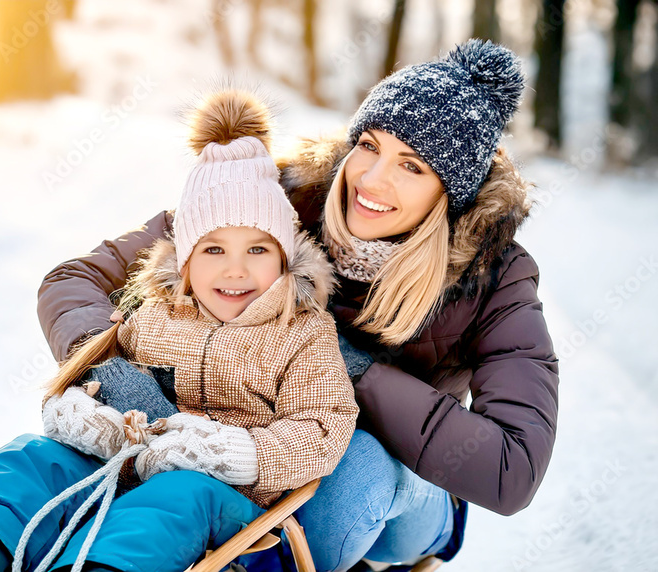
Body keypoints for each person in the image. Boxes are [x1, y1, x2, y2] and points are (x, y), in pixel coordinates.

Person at [36, 39, 560, 571]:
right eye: (370, 145)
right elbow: (75, 279)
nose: (371, 179)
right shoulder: (276, 198)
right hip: (258, 443)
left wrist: (351, 370)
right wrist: (105, 363)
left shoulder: (495, 276)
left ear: (450, 193)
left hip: (401, 481)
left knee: (355, 471)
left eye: (412, 166)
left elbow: (512, 467)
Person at [0, 90, 359, 572]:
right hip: (120, 469)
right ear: (184, 261)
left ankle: (102, 568)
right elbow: (103, 377)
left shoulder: (302, 333)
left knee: (171, 500)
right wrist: (85, 410)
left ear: (285, 258)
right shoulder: (156, 315)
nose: (236, 270)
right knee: (36, 457)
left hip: (226, 498)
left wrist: (228, 452)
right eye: (213, 250)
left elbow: (322, 427)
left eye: (258, 250)